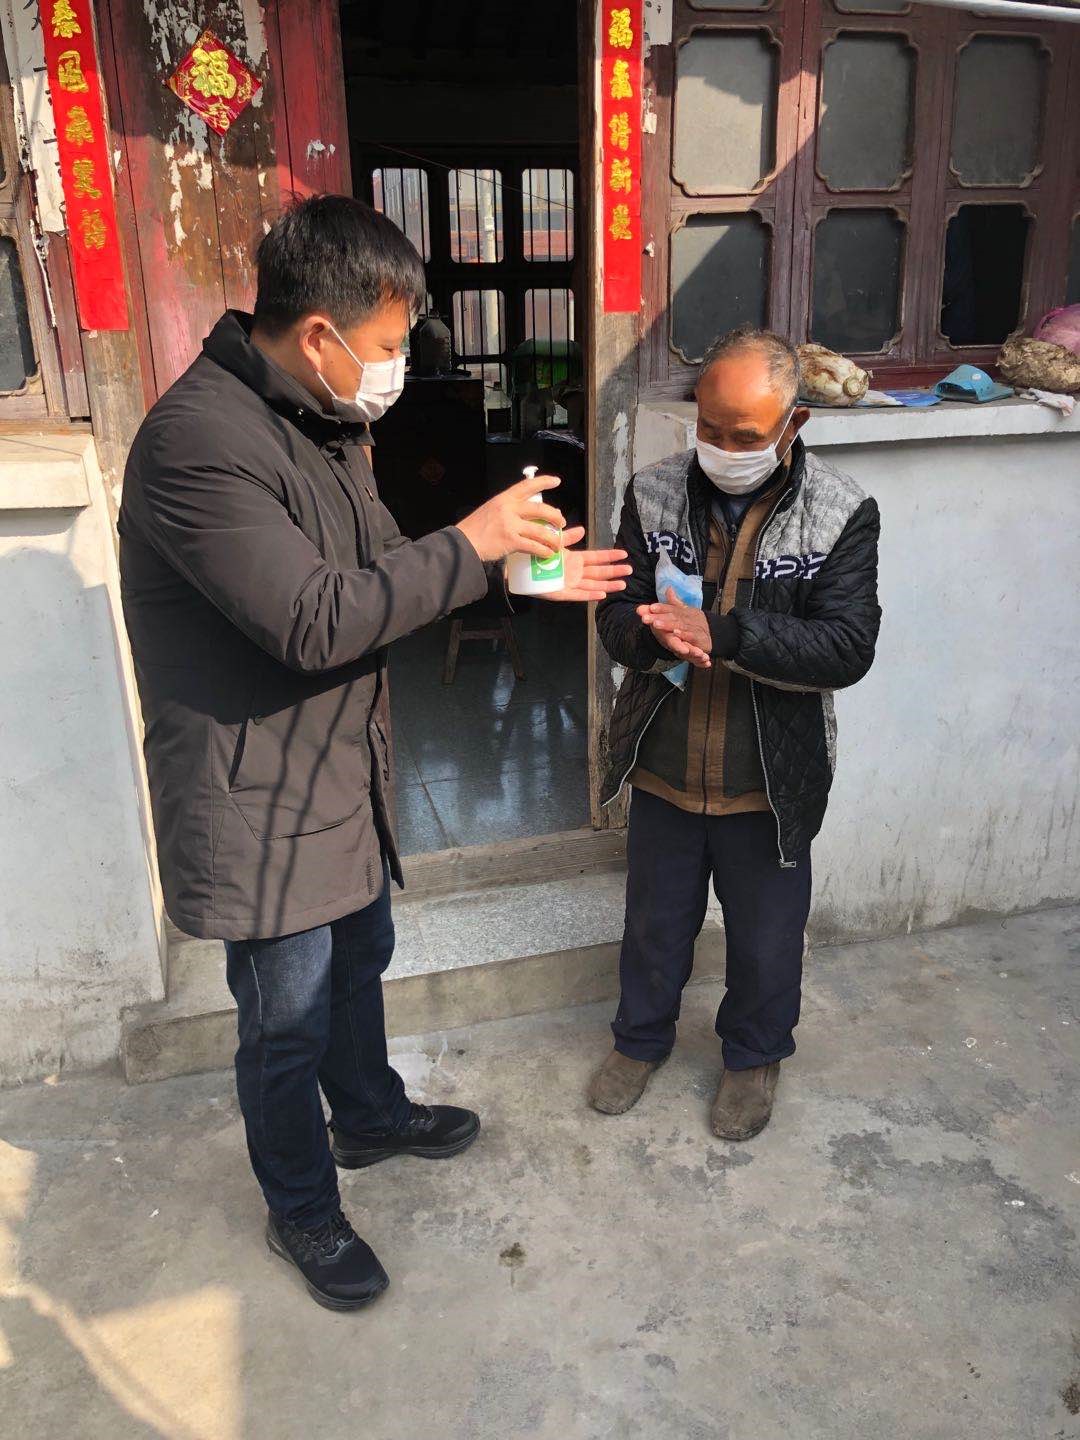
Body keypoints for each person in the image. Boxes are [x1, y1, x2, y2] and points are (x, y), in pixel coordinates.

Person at [118, 196, 629, 1312]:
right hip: (256, 798)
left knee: (359, 960)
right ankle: (301, 1206)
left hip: (334, 771)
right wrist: (472, 541)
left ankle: (370, 1116)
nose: (398, 366)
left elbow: (385, 563)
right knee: (285, 1021)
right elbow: (314, 619)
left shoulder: (317, 421)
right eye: (390, 344)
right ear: (319, 335)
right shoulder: (197, 443)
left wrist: (515, 571)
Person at [590, 327, 881, 1140]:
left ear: (794, 424)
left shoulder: (841, 511)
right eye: (709, 428)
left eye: (745, 436)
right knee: (654, 926)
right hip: (665, 761)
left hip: (770, 780)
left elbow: (847, 647)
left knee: (765, 940)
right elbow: (616, 614)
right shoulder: (652, 493)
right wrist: (649, 635)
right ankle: (638, 1041)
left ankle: (753, 1057)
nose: (722, 448)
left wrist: (724, 634)